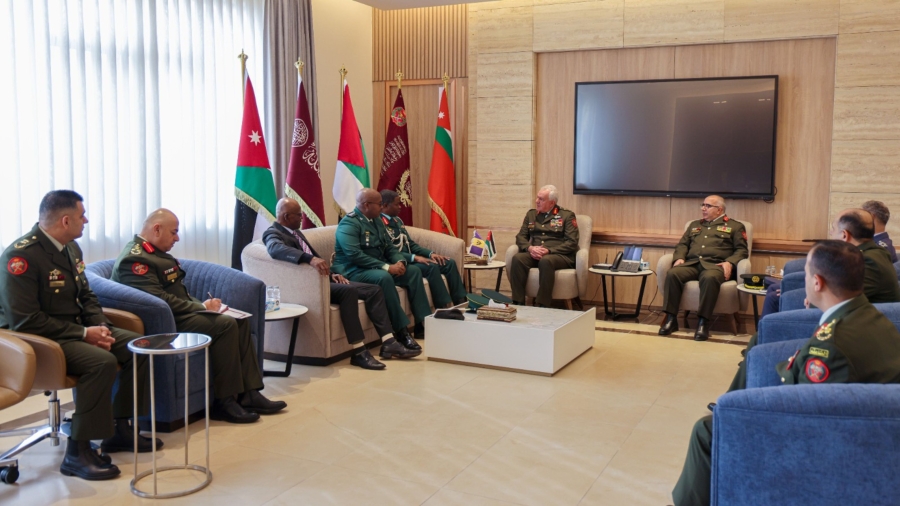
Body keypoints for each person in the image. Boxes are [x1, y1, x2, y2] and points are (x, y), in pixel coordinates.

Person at [671, 240, 900, 506]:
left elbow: (806, 414)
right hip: (873, 426)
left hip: (840, 444)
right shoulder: (872, 317)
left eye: (806, 273)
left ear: (817, 283)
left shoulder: (831, 346)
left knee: (706, 430)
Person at [0, 190, 158, 481]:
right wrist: (85, 333)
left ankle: (119, 428)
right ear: (65, 220)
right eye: (81, 216)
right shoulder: (20, 257)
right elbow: (25, 321)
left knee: (140, 347)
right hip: (38, 339)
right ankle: (77, 452)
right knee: (101, 362)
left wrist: (100, 326)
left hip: (74, 330)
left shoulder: (71, 248)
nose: (85, 221)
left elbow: (86, 295)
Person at [111, 209, 286, 424]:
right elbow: (158, 300)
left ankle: (249, 394)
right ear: (156, 229)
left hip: (176, 314)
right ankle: (224, 402)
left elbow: (177, 293)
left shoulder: (154, 252)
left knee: (239, 321)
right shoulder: (135, 259)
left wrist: (204, 306)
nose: (177, 238)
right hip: (163, 323)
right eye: (174, 232)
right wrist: (201, 306)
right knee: (225, 325)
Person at [264, 197, 413, 370]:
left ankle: (389, 342)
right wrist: (310, 259)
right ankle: (359, 352)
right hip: (310, 287)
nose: (302, 218)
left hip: (325, 280)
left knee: (374, 290)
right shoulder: (273, 233)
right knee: (348, 291)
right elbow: (275, 249)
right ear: (286, 216)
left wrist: (333, 274)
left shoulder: (295, 232)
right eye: (298, 215)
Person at [333, 188, 429, 354]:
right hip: (353, 271)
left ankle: (424, 323)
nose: (382, 207)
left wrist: (399, 261)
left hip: (375, 266)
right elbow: (354, 255)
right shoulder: (349, 224)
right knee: (383, 277)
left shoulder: (376, 220)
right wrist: (387, 267)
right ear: (366, 205)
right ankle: (401, 332)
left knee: (412, 271)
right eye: (379, 204)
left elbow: (389, 247)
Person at [761, 204, 900, 317]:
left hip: (856, 322)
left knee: (777, 298)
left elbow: (842, 297)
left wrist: (813, 301)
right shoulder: (865, 253)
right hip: (849, 314)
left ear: (844, 235)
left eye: (833, 229)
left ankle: (759, 341)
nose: (831, 233)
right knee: (777, 293)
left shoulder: (870, 261)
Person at [659, 195, 748, 341]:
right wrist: (679, 257)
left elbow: (742, 250)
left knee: (709, 278)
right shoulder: (694, 225)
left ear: (719, 210)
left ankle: (703, 322)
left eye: (708, 206)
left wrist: (729, 262)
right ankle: (671, 319)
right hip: (692, 264)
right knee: (673, 273)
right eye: (703, 205)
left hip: (715, 266)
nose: (703, 208)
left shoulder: (735, 226)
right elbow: (682, 245)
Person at [380, 189, 467, 335]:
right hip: (400, 262)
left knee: (448, 262)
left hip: (410, 258)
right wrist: (415, 257)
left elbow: (411, 244)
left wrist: (431, 253)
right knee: (431, 267)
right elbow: (389, 252)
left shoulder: (397, 221)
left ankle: (461, 305)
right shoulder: (380, 224)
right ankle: (443, 310)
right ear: (385, 205)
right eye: (397, 204)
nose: (400, 207)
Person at [509, 185, 579, 307]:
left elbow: (572, 242)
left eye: (541, 199)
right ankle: (518, 302)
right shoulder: (531, 214)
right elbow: (520, 237)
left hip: (558, 256)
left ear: (552, 203)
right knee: (517, 259)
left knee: (546, 261)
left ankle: (542, 304)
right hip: (535, 253)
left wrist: (549, 250)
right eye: (537, 198)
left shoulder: (567, 216)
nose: (537, 201)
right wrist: (530, 248)